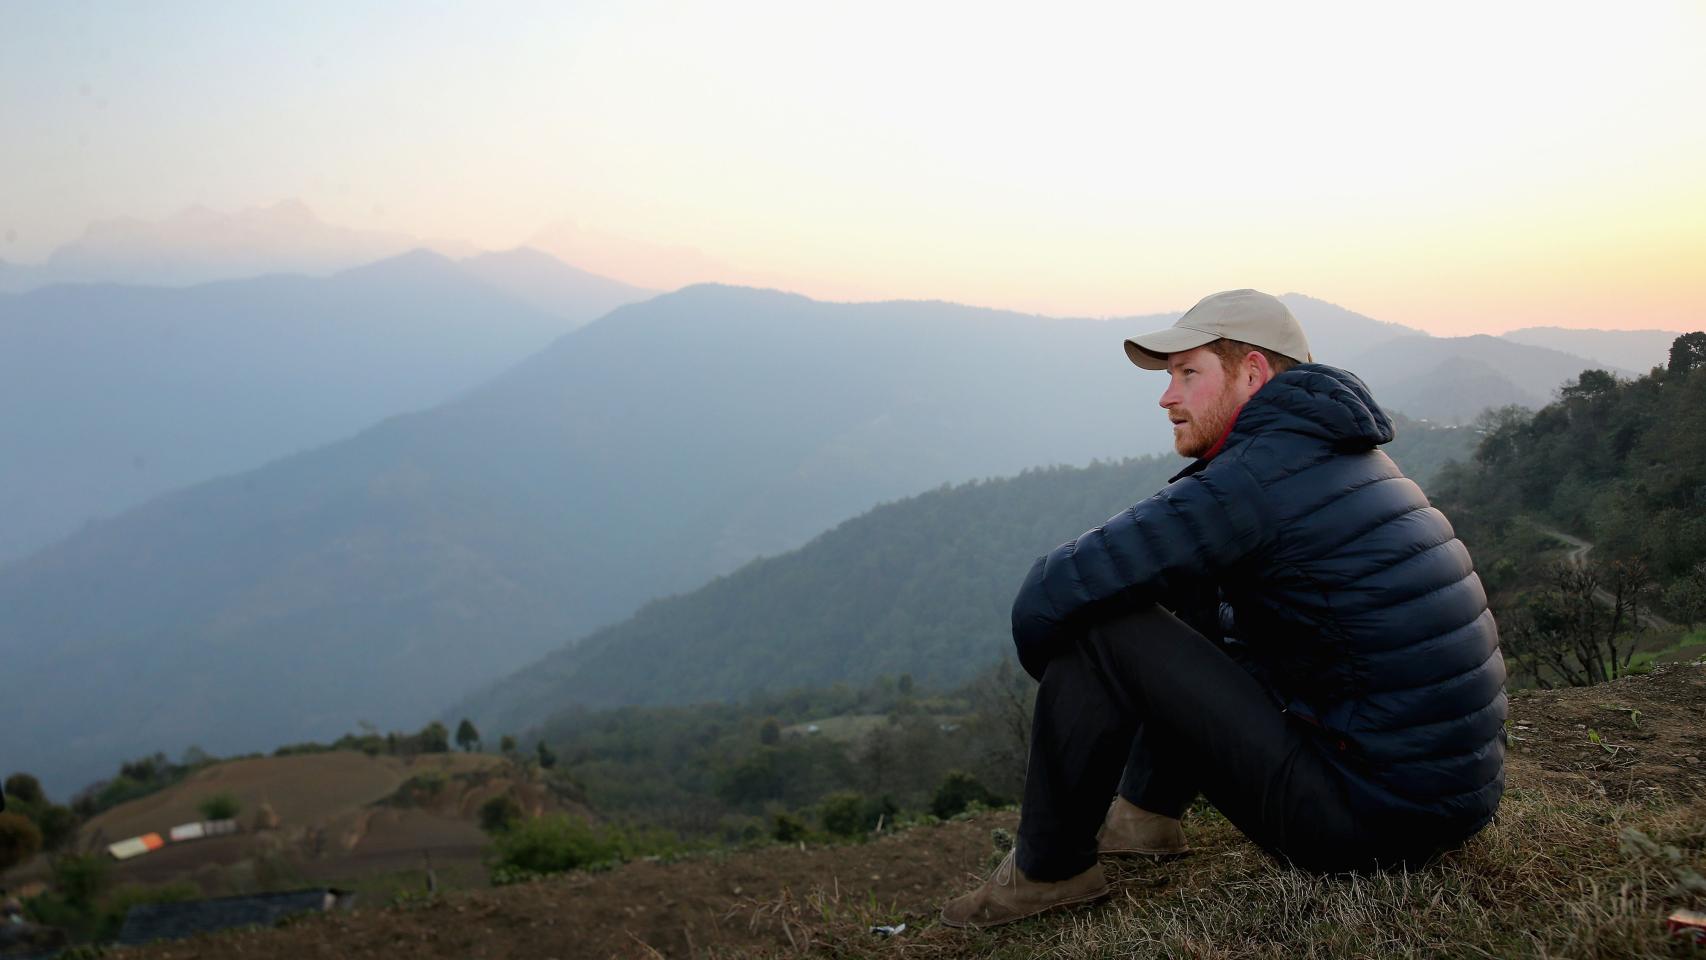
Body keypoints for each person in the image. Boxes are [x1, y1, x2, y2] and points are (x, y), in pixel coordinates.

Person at [940, 289, 1505, 928]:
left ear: (1253, 373)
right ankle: (1145, 815)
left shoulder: (1253, 480)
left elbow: (1047, 594)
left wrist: (1089, 684)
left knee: (1098, 622)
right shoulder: (1345, 456)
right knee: (1187, 591)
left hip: (1365, 823)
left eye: (1188, 373)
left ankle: (1048, 873)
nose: (1166, 396)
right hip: (1448, 802)